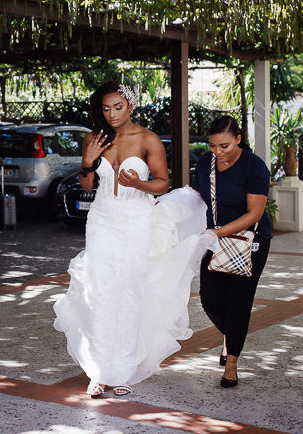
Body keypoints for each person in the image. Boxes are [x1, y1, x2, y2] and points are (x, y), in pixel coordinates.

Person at [53, 81, 210, 398]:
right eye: (106, 108)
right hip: (102, 219)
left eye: (118, 107)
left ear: (131, 106)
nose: (112, 114)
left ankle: (123, 369)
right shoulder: (94, 139)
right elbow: (86, 185)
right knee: (99, 291)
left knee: (128, 290)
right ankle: (98, 371)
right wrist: (87, 160)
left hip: (136, 220)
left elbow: (163, 184)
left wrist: (139, 183)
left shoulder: (148, 140)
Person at [190, 115, 271, 388]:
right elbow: (197, 197)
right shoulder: (205, 164)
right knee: (209, 300)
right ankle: (232, 335)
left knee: (239, 302)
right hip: (215, 240)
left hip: (250, 241)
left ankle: (232, 363)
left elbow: (255, 213)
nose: (218, 152)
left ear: (238, 139)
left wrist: (218, 232)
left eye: (224, 146)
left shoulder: (254, 167)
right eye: (212, 146)